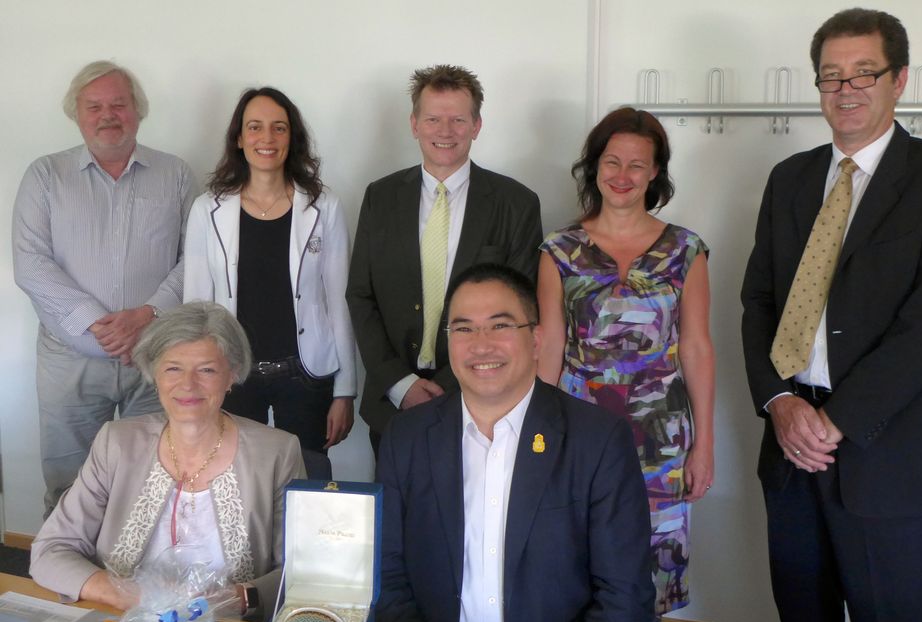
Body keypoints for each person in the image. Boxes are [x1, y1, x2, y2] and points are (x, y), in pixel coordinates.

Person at [740, 9, 922, 622]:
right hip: (792, 451)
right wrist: (781, 402)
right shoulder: (790, 179)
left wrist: (838, 418)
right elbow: (757, 303)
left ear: (899, 79)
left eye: (864, 73)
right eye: (831, 75)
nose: (845, 89)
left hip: (891, 452)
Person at [376, 263, 654, 622]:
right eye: (463, 329)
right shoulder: (407, 437)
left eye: (500, 326)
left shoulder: (597, 441)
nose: (481, 346)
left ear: (537, 339)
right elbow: (388, 577)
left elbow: (624, 596)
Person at [537, 108, 714, 622]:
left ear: (655, 172)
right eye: (612, 161)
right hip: (577, 429)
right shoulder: (559, 250)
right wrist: (535, 437)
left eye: (637, 165)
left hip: (661, 437)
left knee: (651, 567)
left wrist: (704, 443)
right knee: (574, 553)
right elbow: (550, 347)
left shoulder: (685, 250)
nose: (622, 175)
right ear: (594, 167)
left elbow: (697, 348)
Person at [30, 302, 305, 621]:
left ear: (231, 376)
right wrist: (126, 595)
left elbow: (301, 570)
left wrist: (239, 598)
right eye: (173, 368)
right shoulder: (117, 443)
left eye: (207, 370)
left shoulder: (277, 452)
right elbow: (50, 551)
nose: (188, 385)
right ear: (154, 374)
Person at [12, 60, 195, 515]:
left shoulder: (175, 174)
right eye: (94, 106)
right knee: (69, 489)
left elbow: (198, 257)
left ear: (138, 110)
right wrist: (99, 323)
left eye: (118, 104)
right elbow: (30, 262)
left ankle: (135, 586)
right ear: (76, 113)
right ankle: (68, 585)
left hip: (155, 360)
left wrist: (146, 317)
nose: (107, 114)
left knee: (154, 482)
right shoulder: (45, 176)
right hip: (69, 364)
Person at [347, 65, 543, 453]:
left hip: (483, 401)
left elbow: (520, 309)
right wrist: (400, 384)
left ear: (477, 125)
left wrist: (452, 387)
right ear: (414, 123)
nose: (445, 131)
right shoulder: (379, 197)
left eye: (458, 119)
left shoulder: (516, 203)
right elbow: (360, 296)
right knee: (397, 513)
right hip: (392, 406)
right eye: (433, 118)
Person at [183, 87, 355, 476]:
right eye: (255, 127)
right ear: (239, 139)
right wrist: (198, 380)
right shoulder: (206, 209)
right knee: (236, 482)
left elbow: (338, 300)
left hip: (307, 374)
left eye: (279, 128)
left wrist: (345, 390)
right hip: (233, 376)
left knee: (308, 481)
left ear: (292, 138)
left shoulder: (323, 207)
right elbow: (196, 308)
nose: (267, 138)